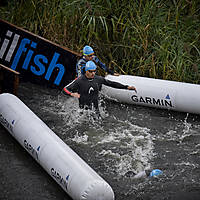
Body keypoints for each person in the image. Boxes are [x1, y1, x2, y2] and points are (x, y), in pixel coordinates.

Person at [63, 61, 137, 112]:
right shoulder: (79, 80)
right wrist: (72, 94)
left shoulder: (98, 79)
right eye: (90, 71)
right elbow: (65, 89)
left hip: (95, 110)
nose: (93, 73)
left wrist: (126, 87)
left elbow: (112, 84)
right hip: (83, 111)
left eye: (94, 71)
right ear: (86, 71)